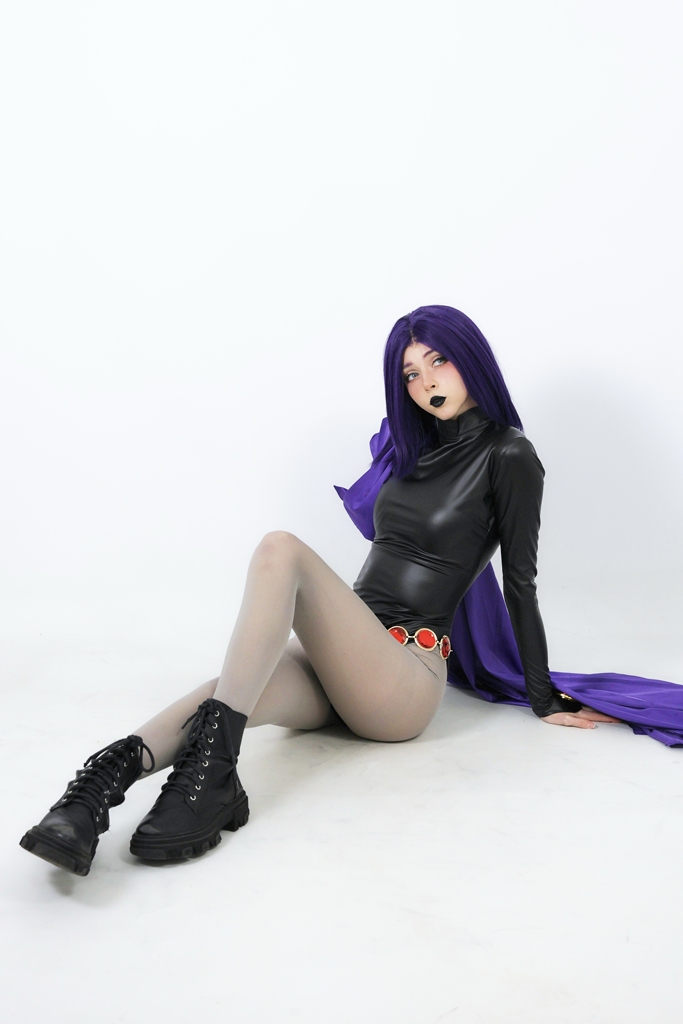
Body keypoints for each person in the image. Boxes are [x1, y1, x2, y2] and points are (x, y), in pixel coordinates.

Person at [17, 305, 628, 876]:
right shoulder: (410, 449)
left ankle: (210, 783)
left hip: (403, 677)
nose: (426, 384)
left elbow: (521, 582)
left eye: (438, 361)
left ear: (470, 356)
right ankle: (91, 796)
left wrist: (543, 697)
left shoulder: (510, 454)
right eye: (410, 374)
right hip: (345, 661)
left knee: (280, 549)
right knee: (229, 692)